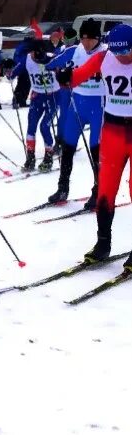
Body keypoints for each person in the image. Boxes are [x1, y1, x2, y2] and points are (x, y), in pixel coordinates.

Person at [56, 23, 132, 266]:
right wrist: (65, 77)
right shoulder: (103, 57)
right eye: (117, 52)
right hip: (112, 132)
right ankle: (102, 243)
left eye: (126, 52)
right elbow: (76, 77)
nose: (121, 58)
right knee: (105, 189)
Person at [46, 19, 105, 206]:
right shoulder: (74, 50)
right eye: (84, 39)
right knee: (68, 145)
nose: (87, 43)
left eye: (91, 40)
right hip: (77, 103)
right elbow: (52, 64)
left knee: (96, 149)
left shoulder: (106, 54)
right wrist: (59, 73)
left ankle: (99, 191)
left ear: (99, 39)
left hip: (99, 104)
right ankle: (62, 188)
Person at [10, 39, 57, 171]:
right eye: (34, 54)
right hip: (37, 96)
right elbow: (12, 74)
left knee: (44, 126)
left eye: (39, 55)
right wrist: (8, 70)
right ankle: (30, 157)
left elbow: (66, 68)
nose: (36, 58)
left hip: (53, 96)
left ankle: (48, 156)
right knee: (31, 126)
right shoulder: (27, 59)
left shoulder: (52, 58)